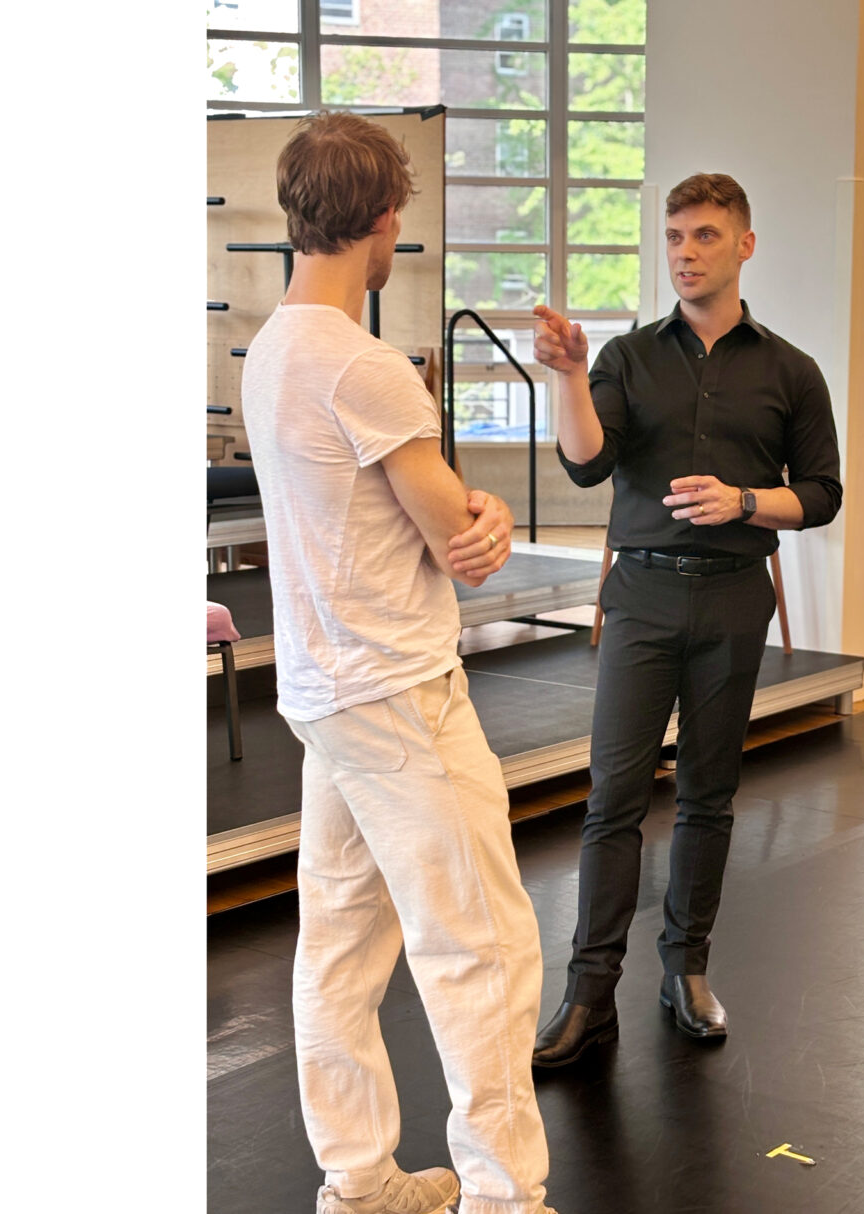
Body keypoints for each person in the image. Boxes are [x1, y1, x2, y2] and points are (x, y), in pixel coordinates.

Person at [243, 110, 558, 1214]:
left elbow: (441, 519)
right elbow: (458, 540)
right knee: (482, 942)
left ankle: (359, 1178)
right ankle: (504, 1194)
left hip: (328, 694)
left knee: (341, 939)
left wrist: (473, 514)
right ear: (384, 220)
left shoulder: (272, 348)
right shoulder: (364, 365)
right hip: (396, 692)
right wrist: (489, 514)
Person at [525, 173, 844, 1065]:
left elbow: (822, 495)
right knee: (612, 800)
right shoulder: (627, 358)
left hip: (736, 596)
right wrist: (569, 377)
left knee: (708, 797)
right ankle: (589, 994)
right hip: (643, 596)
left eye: (704, 236)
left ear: (744, 244)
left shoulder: (792, 371)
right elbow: (588, 464)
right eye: (673, 237)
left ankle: (686, 971)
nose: (685, 253)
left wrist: (745, 501)